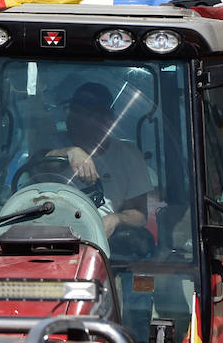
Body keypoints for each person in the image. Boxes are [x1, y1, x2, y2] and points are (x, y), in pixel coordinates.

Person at [49, 81, 150, 237]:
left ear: (106, 119)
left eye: (86, 113)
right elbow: (40, 164)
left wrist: (117, 219)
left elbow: (140, 214)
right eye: (73, 111)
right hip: (48, 235)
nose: (74, 119)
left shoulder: (127, 155)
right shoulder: (54, 143)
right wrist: (70, 152)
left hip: (102, 241)